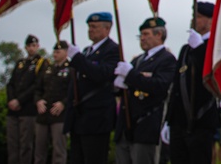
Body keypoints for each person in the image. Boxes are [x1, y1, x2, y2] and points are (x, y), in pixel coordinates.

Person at [114, 17, 177, 164]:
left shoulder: (166, 59)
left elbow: (159, 86)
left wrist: (130, 75)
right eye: (140, 35)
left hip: (146, 124)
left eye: (146, 34)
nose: (142, 39)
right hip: (127, 124)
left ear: (159, 35)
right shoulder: (138, 60)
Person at [166, 1, 219, 164]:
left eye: (199, 17)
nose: (194, 20)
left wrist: (200, 49)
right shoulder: (186, 48)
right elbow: (177, 86)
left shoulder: (215, 46)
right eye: (194, 16)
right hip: (180, 123)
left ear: (211, 20)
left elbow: (211, 75)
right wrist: (169, 120)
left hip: (201, 120)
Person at [65, 11, 121, 164]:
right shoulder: (87, 51)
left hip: (97, 117)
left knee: (94, 158)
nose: (91, 30)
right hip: (80, 116)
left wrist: (77, 58)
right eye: (90, 26)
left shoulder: (113, 50)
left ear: (107, 28)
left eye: (95, 26)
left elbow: (101, 75)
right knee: (77, 158)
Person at [7, 34, 46, 164]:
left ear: (38, 46)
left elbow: (37, 85)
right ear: (25, 47)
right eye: (29, 46)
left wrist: (20, 100)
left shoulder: (41, 63)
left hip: (28, 108)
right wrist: (12, 100)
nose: (31, 48)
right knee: (12, 143)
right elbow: (11, 84)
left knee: (26, 143)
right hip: (13, 109)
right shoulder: (20, 63)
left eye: (34, 46)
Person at [34, 41, 70, 164]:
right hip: (43, 114)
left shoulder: (70, 69)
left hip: (59, 115)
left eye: (58, 51)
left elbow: (72, 92)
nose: (55, 54)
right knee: (39, 150)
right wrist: (38, 101)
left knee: (59, 150)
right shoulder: (47, 68)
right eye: (54, 51)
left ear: (66, 52)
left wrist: (63, 103)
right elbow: (38, 89)